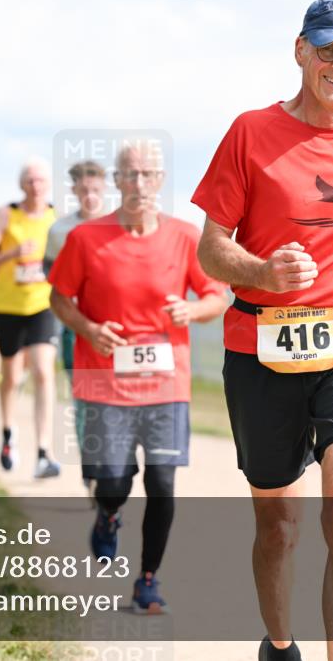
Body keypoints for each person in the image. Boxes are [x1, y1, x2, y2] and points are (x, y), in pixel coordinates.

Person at [193, 0, 333, 659]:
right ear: (301, 51)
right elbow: (211, 249)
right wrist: (263, 272)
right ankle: (280, 643)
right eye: (329, 49)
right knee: (279, 525)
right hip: (262, 344)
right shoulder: (250, 132)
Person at [50, 141, 227, 614]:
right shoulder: (86, 238)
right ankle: (108, 515)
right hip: (105, 384)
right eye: (131, 174)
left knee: (163, 483)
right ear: (117, 181)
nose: (140, 183)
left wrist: (191, 309)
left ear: (161, 180)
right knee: (113, 481)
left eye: (149, 174)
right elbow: (59, 298)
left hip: (167, 384)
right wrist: (89, 328)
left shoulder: (185, 236)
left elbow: (216, 296)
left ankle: (148, 579)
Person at [0, 159, 61, 479]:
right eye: (29, 181)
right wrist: (12, 254)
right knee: (11, 377)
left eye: (40, 180)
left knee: (43, 371)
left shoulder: (56, 218)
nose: (35, 186)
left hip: (43, 305)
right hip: (7, 306)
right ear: (21, 184)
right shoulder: (5, 215)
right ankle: (8, 432)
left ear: (48, 184)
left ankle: (44, 452)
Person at [44, 159, 107, 498]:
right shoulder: (60, 231)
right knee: (85, 399)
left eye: (95, 189)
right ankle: (91, 469)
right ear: (74, 191)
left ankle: (115, 469)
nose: (90, 195)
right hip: (77, 328)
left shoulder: (120, 225)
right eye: (84, 190)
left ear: (104, 189)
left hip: (117, 327)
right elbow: (51, 277)